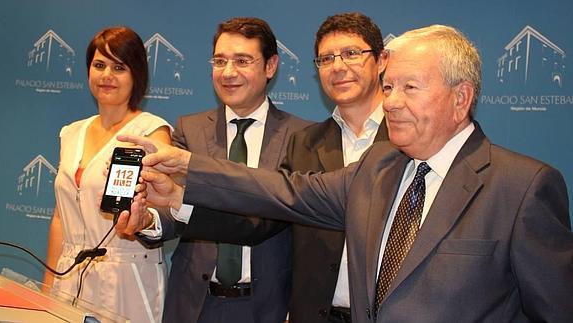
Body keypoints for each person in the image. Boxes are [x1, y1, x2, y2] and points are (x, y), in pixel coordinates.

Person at [119, 24, 573, 322]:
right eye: (390, 86)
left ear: (460, 98)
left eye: (409, 87)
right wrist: (189, 168)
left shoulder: (523, 187)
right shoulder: (378, 167)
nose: (392, 100)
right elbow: (281, 192)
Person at [126, 17, 311, 323]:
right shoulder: (190, 129)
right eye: (220, 61)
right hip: (194, 305)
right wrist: (147, 219)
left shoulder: (302, 138)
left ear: (270, 66)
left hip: (268, 307)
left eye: (242, 61)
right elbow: (174, 206)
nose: (228, 73)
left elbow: (271, 220)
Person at [43, 26, 171, 323]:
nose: (106, 76)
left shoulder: (151, 132)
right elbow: (60, 217)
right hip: (70, 275)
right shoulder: (71, 133)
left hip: (128, 277)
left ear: (136, 74)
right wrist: (48, 286)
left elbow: (161, 212)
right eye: (99, 65)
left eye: (119, 67)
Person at [280, 12, 387, 323]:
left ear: (380, 60)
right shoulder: (304, 144)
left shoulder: (410, 139)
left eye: (351, 54)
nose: (338, 66)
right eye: (326, 59)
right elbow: (267, 217)